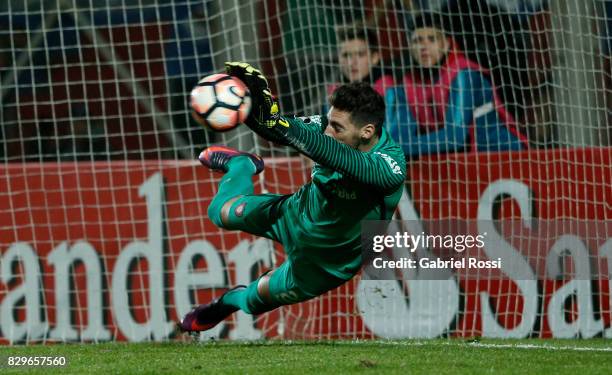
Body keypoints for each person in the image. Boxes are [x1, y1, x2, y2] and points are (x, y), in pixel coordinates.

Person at [177, 62, 405, 333]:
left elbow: (338, 156)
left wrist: (284, 127)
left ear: (366, 131)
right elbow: (280, 130)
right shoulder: (327, 127)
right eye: (328, 121)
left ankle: (226, 303)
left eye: (337, 127)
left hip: (327, 262)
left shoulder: (389, 167)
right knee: (219, 212)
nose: (328, 130)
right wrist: (248, 108)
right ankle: (242, 166)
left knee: (254, 300)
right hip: (293, 214)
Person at [386, 13, 529, 158]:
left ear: (447, 44)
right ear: (410, 47)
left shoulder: (464, 74)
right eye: (417, 40)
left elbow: (455, 137)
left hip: (502, 155)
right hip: (462, 164)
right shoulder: (407, 85)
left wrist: (394, 150)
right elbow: (396, 139)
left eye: (431, 39)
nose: (424, 47)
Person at [328, 25, 394, 98]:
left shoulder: (389, 90)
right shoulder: (334, 92)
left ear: (374, 58)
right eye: (345, 55)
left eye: (360, 54)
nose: (351, 63)